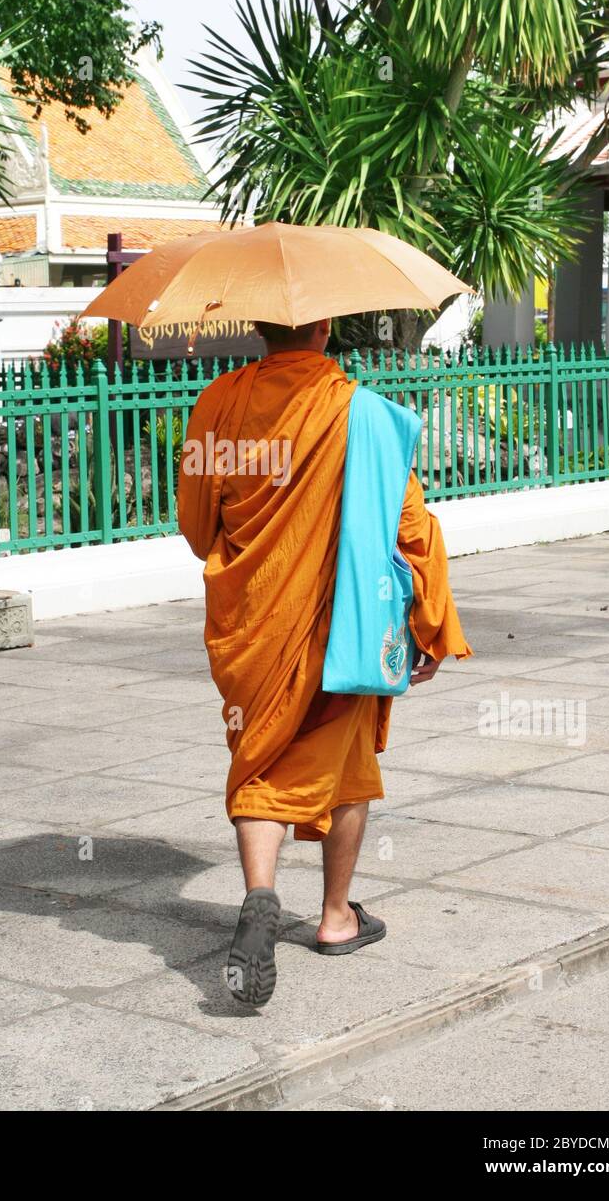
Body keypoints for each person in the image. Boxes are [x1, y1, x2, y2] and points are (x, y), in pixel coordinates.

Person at [177, 317, 472, 1006]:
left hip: (254, 625)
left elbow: (196, 529)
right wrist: (432, 624)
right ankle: (337, 917)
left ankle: (259, 893)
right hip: (344, 626)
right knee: (347, 771)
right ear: (327, 326)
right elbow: (412, 531)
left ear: (257, 326)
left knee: (259, 760)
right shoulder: (366, 416)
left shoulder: (217, 402)